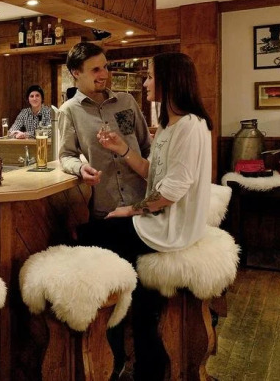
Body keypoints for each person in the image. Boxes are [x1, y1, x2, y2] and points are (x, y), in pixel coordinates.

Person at [80, 51, 213, 380]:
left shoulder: (191, 127)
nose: (146, 83)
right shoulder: (169, 125)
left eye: (151, 76)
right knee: (138, 288)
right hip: (158, 221)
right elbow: (153, 173)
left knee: (89, 236)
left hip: (171, 228)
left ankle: (107, 349)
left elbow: (171, 191)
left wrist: (130, 209)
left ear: (169, 81)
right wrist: (122, 149)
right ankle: (141, 359)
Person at [58, 42, 151, 220]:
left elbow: (147, 146)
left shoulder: (126, 101)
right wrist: (81, 168)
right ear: (76, 73)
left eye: (105, 67)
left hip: (141, 205)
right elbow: (66, 155)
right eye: (95, 70)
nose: (104, 74)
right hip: (105, 210)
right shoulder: (68, 111)